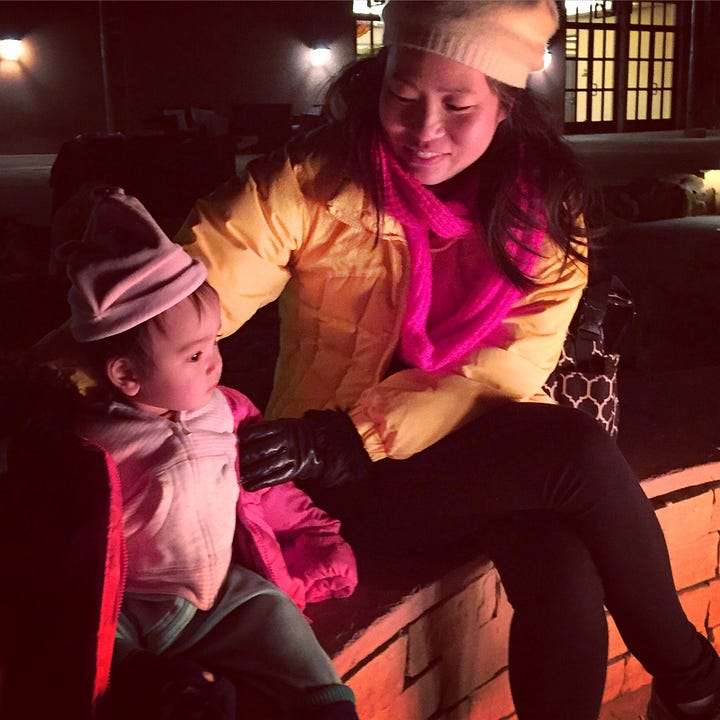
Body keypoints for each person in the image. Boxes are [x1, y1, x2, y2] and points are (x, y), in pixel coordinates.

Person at [174, 2, 720, 719]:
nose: (424, 131)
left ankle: (692, 682)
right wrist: (71, 380)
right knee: (574, 453)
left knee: (560, 552)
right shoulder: (315, 179)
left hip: (423, 453)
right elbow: (193, 287)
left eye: (458, 105)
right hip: (335, 482)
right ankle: (694, 681)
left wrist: (351, 434)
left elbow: (506, 369)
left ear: (506, 107)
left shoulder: (541, 211)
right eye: (403, 97)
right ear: (379, 86)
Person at [63, 187, 360, 720]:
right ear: (127, 376)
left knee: (274, 614)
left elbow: (265, 489)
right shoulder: (94, 441)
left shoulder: (228, 411)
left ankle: (325, 704)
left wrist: (319, 536)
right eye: (195, 353)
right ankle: (168, 691)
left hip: (220, 595)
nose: (214, 363)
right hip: (132, 601)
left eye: (215, 342)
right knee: (87, 637)